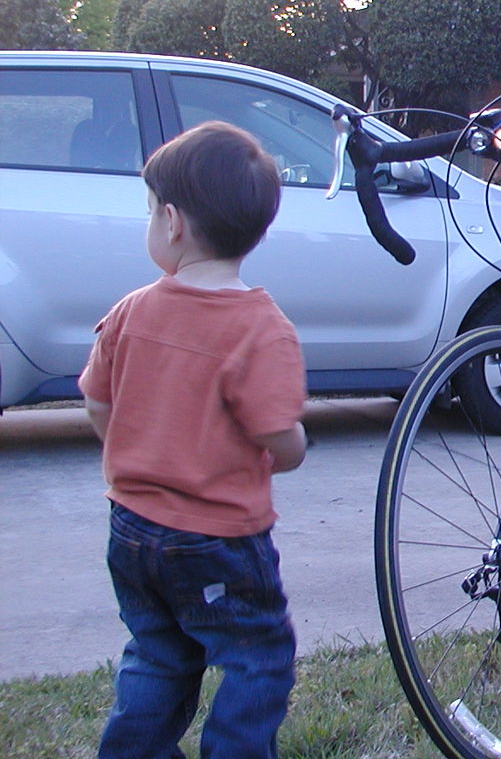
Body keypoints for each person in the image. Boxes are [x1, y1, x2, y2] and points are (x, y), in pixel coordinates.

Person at [80, 121, 308, 756]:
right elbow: (275, 436)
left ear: (174, 224)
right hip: (220, 540)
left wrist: (128, 447)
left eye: (150, 212)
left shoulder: (130, 311)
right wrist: (292, 448)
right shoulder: (262, 328)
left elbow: (98, 400)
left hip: (131, 527)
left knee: (157, 652)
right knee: (255, 654)